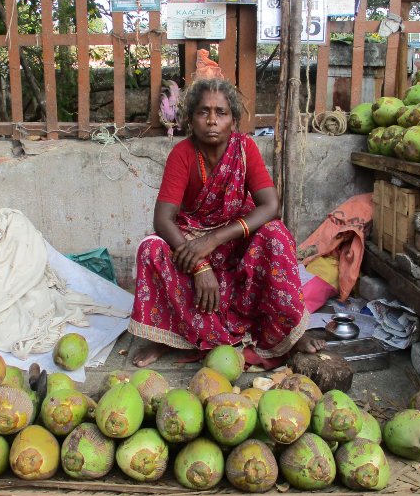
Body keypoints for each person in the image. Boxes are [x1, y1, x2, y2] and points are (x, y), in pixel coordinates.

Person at [129, 78, 325, 367]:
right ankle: (166, 337)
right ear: (190, 120)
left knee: (275, 234)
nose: (211, 121)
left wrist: (215, 239)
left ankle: (287, 336)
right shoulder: (182, 154)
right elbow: (163, 219)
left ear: (233, 120)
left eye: (220, 113)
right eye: (203, 112)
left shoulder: (245, 149)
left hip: (235, 243)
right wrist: (199, 264)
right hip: (192, 240)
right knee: (151, 248)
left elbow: (271, 206)